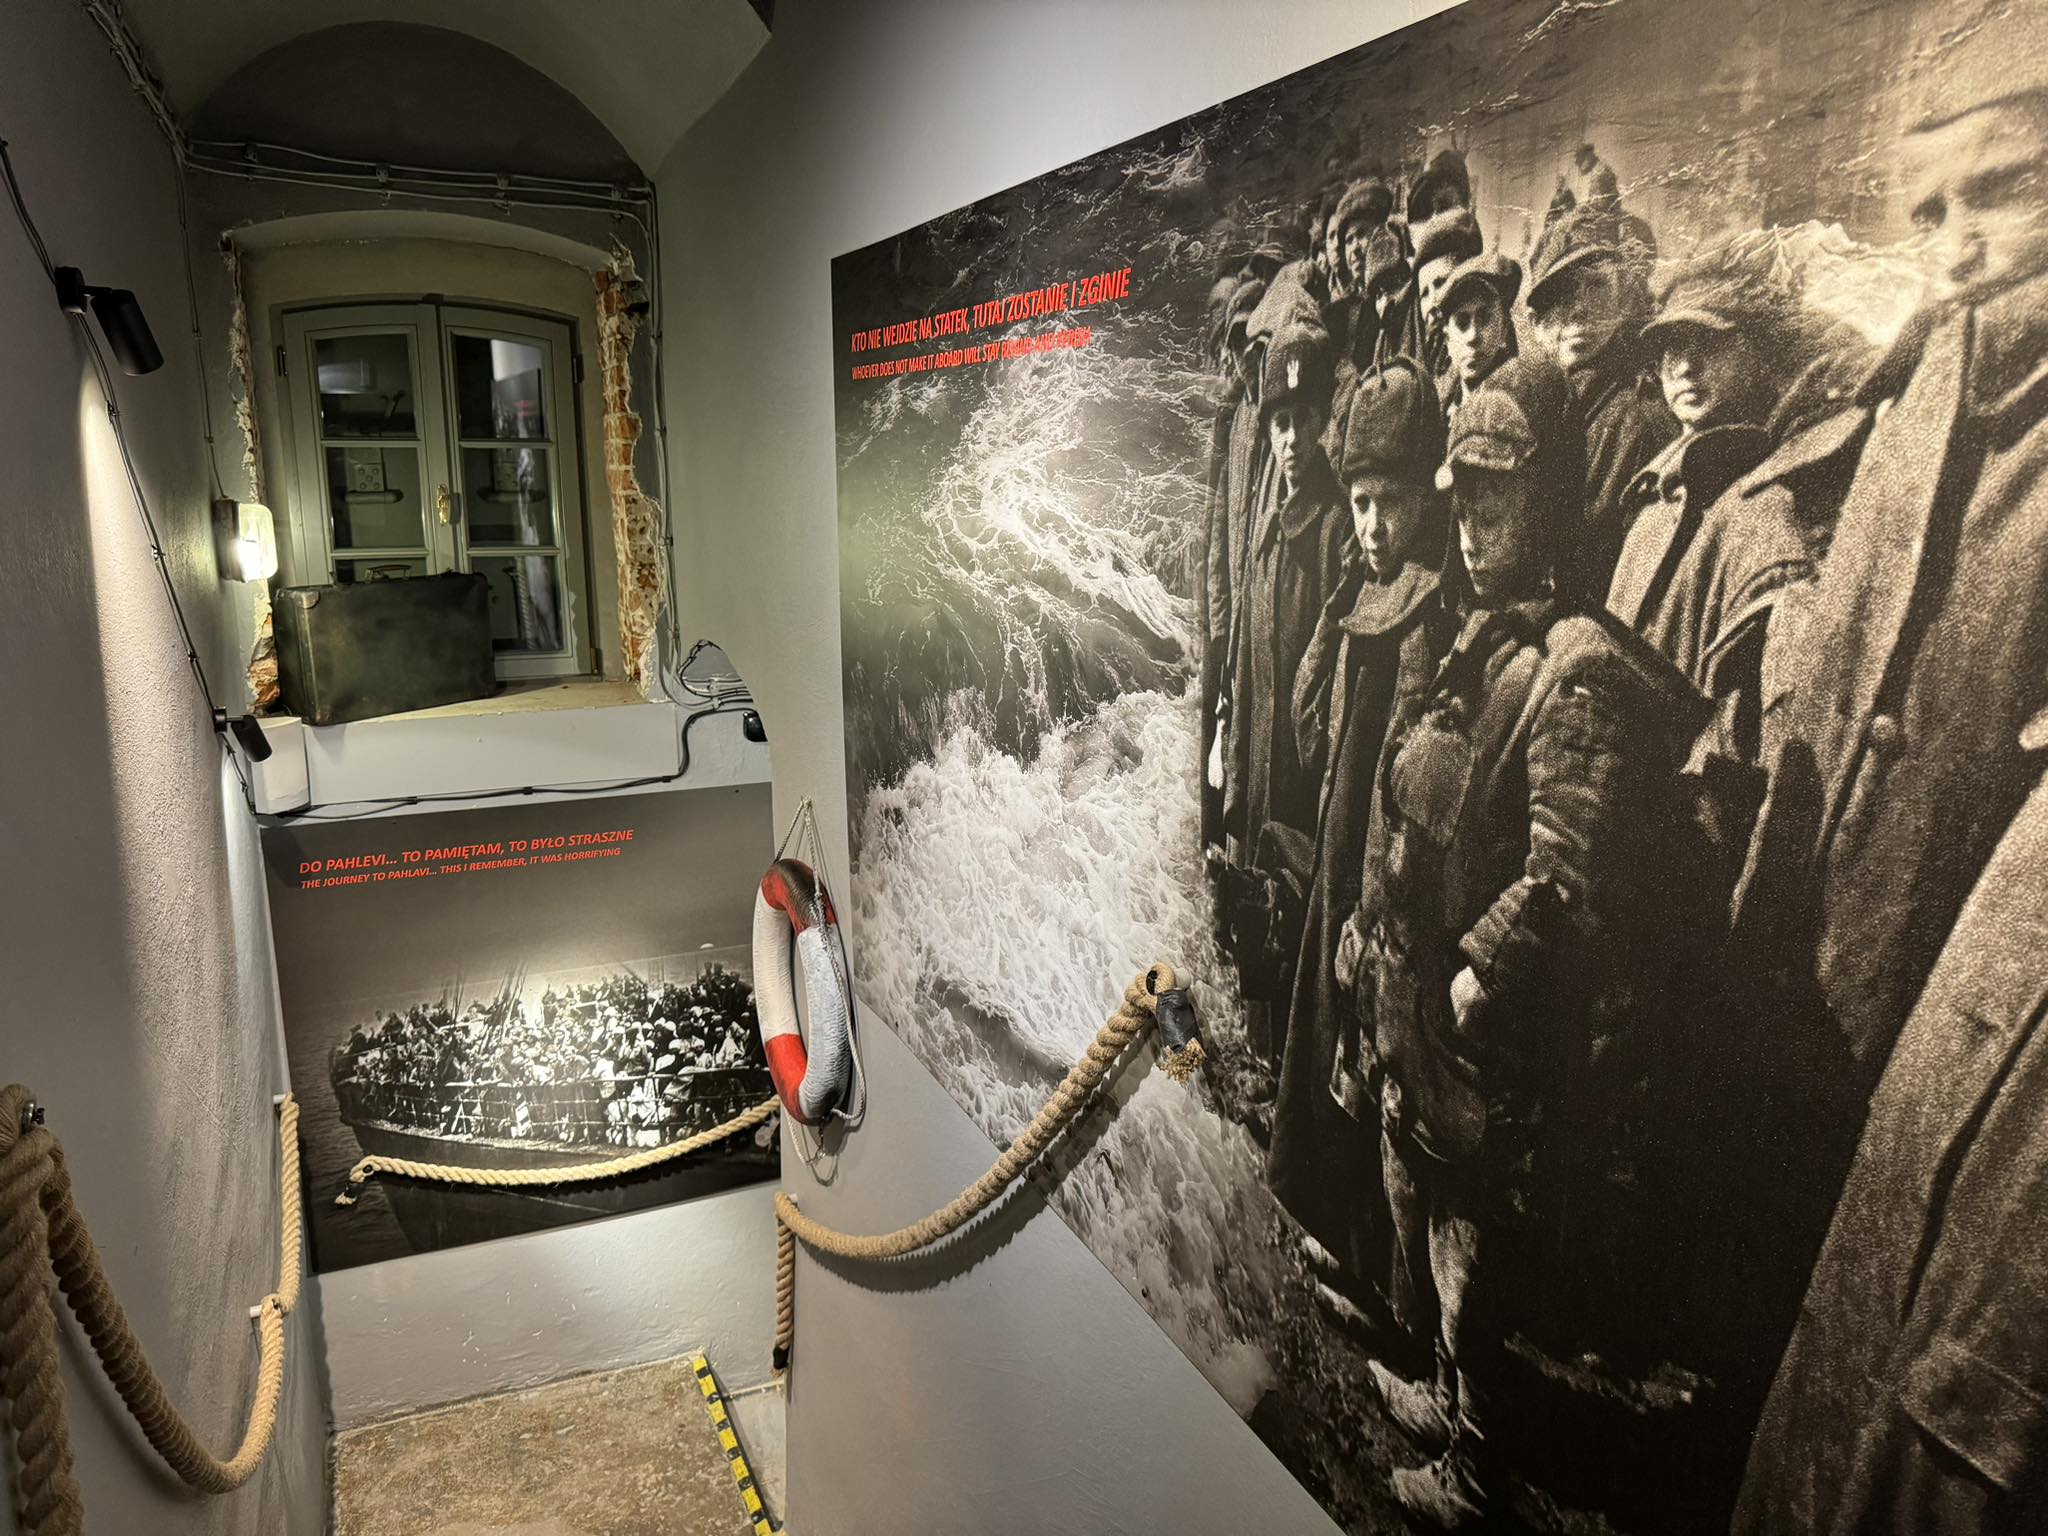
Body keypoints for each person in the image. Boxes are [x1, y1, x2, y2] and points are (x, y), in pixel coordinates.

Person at [1732, 80, 2048, 1533]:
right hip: (1821, 900)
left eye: (2004, 191)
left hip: (1953, 973)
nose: (1959, 242)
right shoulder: (1926, 372)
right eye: (1928, 211)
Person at [1362, 354, 1707, 1528]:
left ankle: (1475, 1468)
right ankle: (1442, 1389)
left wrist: (1476, 976)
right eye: (1459, 503)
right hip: (1435, 1004)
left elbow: (1563, 874)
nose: (1469, 528)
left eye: (1494, 503)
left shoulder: (1577, 669)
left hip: (1496, 1029)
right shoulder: (1487, 631)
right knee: (1431, 1204)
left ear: (1547, 503)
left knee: (1476, 1246)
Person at [1268, 358, 1455, 1340]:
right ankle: (1341, 1232)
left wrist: (1378, 898)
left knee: (1382, 1071)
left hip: (1388, 881)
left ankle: (1389, 1287)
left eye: (1392, 503)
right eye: (1361, 504)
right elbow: (1325, 728)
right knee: (1333, 1040)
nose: (1375, 525)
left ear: (1425, 499)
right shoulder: (1368, 593)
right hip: (1345, 858)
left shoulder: (1430, 612)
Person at [1219, 321, 1347, 1051]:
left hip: (1301, 776)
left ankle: (1285, 1070)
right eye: (1280, 424)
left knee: (1297, 924)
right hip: (1261, 768)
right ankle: (1261, 1055)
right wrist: (1231, 755)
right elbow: (1245, 660)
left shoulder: (1334, 530)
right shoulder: (1270, 528)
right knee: (1259, 916)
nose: (1292, 439)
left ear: (1324, 420)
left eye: (1304, 420)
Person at [1526, 204, 1677, 602]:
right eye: (1561, 294)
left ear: (1624, 299)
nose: (1578, 309)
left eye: (1594, 286)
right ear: (1537, 324)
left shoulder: (1638, 417)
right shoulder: (1543, 407)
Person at [1434, 250, 1521, 422]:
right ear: (1447, 339)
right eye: (1462, 323)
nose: (1473, 336)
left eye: (1485, 318)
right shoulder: (1439, 414)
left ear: (1504, 328)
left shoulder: (1523, 406)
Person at [1410, 211, 1485, 402]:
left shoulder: (1484, 357)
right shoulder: (1429, 367)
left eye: (1441, 283)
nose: (1433, 302)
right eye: (1425, 294)